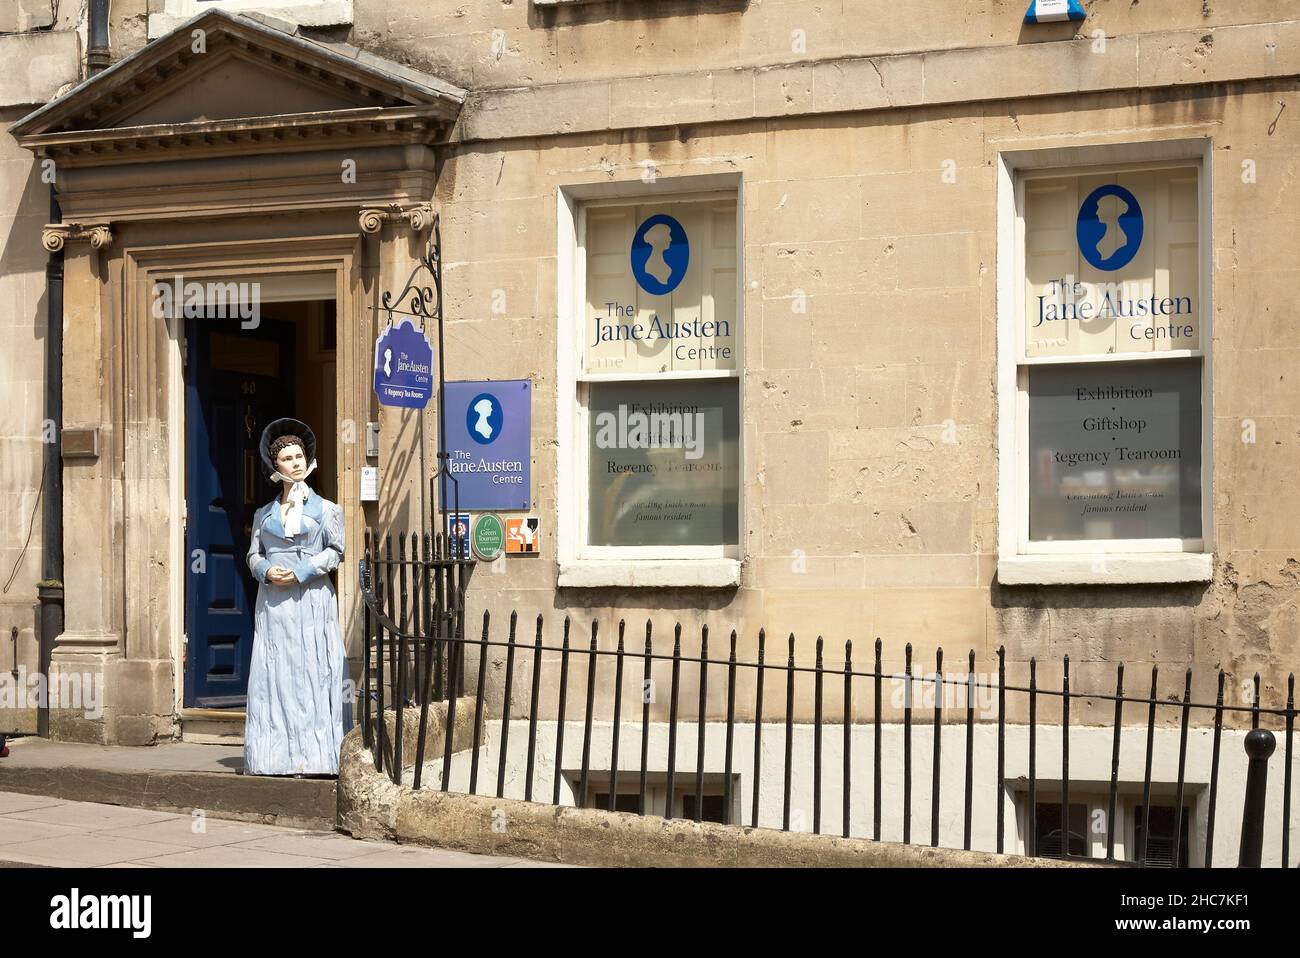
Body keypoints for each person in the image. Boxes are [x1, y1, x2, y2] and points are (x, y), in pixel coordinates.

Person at [244, 417, 347, 777]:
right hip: (275, 602)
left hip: (313, 598)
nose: (297, 462)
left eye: (300, 455)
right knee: (277, 673)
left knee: (316, 670)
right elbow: (252, 554)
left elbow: (336, 551)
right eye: (288, 458)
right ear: (276, 466)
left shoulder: (328, 510)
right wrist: (266, 570)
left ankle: (319, 757)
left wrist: (303, 570)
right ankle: (274, 758)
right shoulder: (264, 515)